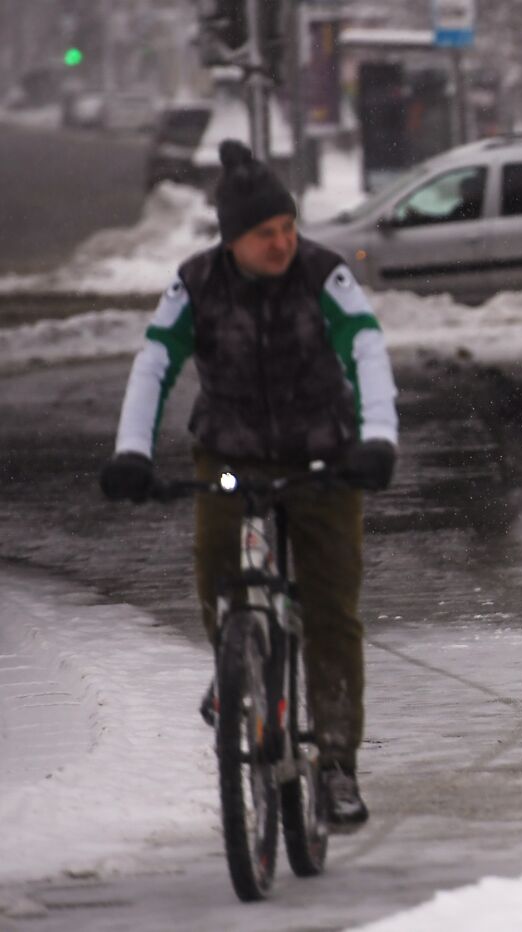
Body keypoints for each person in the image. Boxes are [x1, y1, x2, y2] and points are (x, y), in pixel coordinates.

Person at [98, 140, 399, 828]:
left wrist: (378, 439)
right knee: (217, 579)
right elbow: (153, 365)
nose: (283, 243)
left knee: (330, 609)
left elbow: (367, 348)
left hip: (324, 460)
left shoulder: (325, 275)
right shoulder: (195, 283)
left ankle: (337, 764)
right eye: (266, 233)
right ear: (232, 238)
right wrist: (131, 453)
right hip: (230, 456)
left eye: (289, 228)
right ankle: (238, 662)